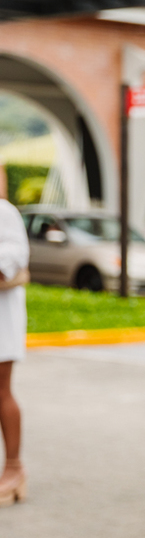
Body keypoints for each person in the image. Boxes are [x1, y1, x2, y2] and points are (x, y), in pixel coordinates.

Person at [0, 196, 29, 507]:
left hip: (2, 319)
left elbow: (12, 259)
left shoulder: (3, 213)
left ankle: (14, 468)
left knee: (1, 390)